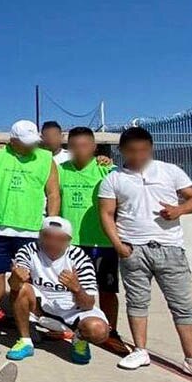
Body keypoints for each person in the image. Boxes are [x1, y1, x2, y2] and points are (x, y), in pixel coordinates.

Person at [98, 127, 192, 382]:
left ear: (151, 149)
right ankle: (140, 350)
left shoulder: (170, 171)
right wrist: (119, 245)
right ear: (122, 151)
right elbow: (106, 213)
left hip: (170, 248)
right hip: (133, 249)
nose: (139, 155)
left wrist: (179, 209)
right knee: (137, 302)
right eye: (133, 151)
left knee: (182, 305)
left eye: (145, 150)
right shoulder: (113, 178)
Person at [0, 119, 60, 323]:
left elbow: (54, 193)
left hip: (31, 229)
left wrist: (51, 224)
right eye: (26, 141)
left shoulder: (46, 158)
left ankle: (30, 321)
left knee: (27, 279)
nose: (32, 145)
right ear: (12, 140)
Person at [6, 217, 109, 364]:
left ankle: (79, 338)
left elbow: (88, 304)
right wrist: (16, 277)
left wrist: (76, 288)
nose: (53, 243)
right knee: (22, 288)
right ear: (40, 236)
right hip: (41, 304)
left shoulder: (79, 258)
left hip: (74, 308)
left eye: (60, 239)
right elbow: (14, 285)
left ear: (68, 241)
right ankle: (25, 340)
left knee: (99, 331)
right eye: (47, 237)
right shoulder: (29, 250)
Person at [57, 127, 119, 330]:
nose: (79, 150)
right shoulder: (60, 170)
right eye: (74, 146)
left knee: (107, 290)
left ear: (94, 147)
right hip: (72, 244)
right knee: (72, 288)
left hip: (103, 242)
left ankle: (110, 331)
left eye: (84, 145)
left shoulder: (107, 170)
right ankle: (75, 329)